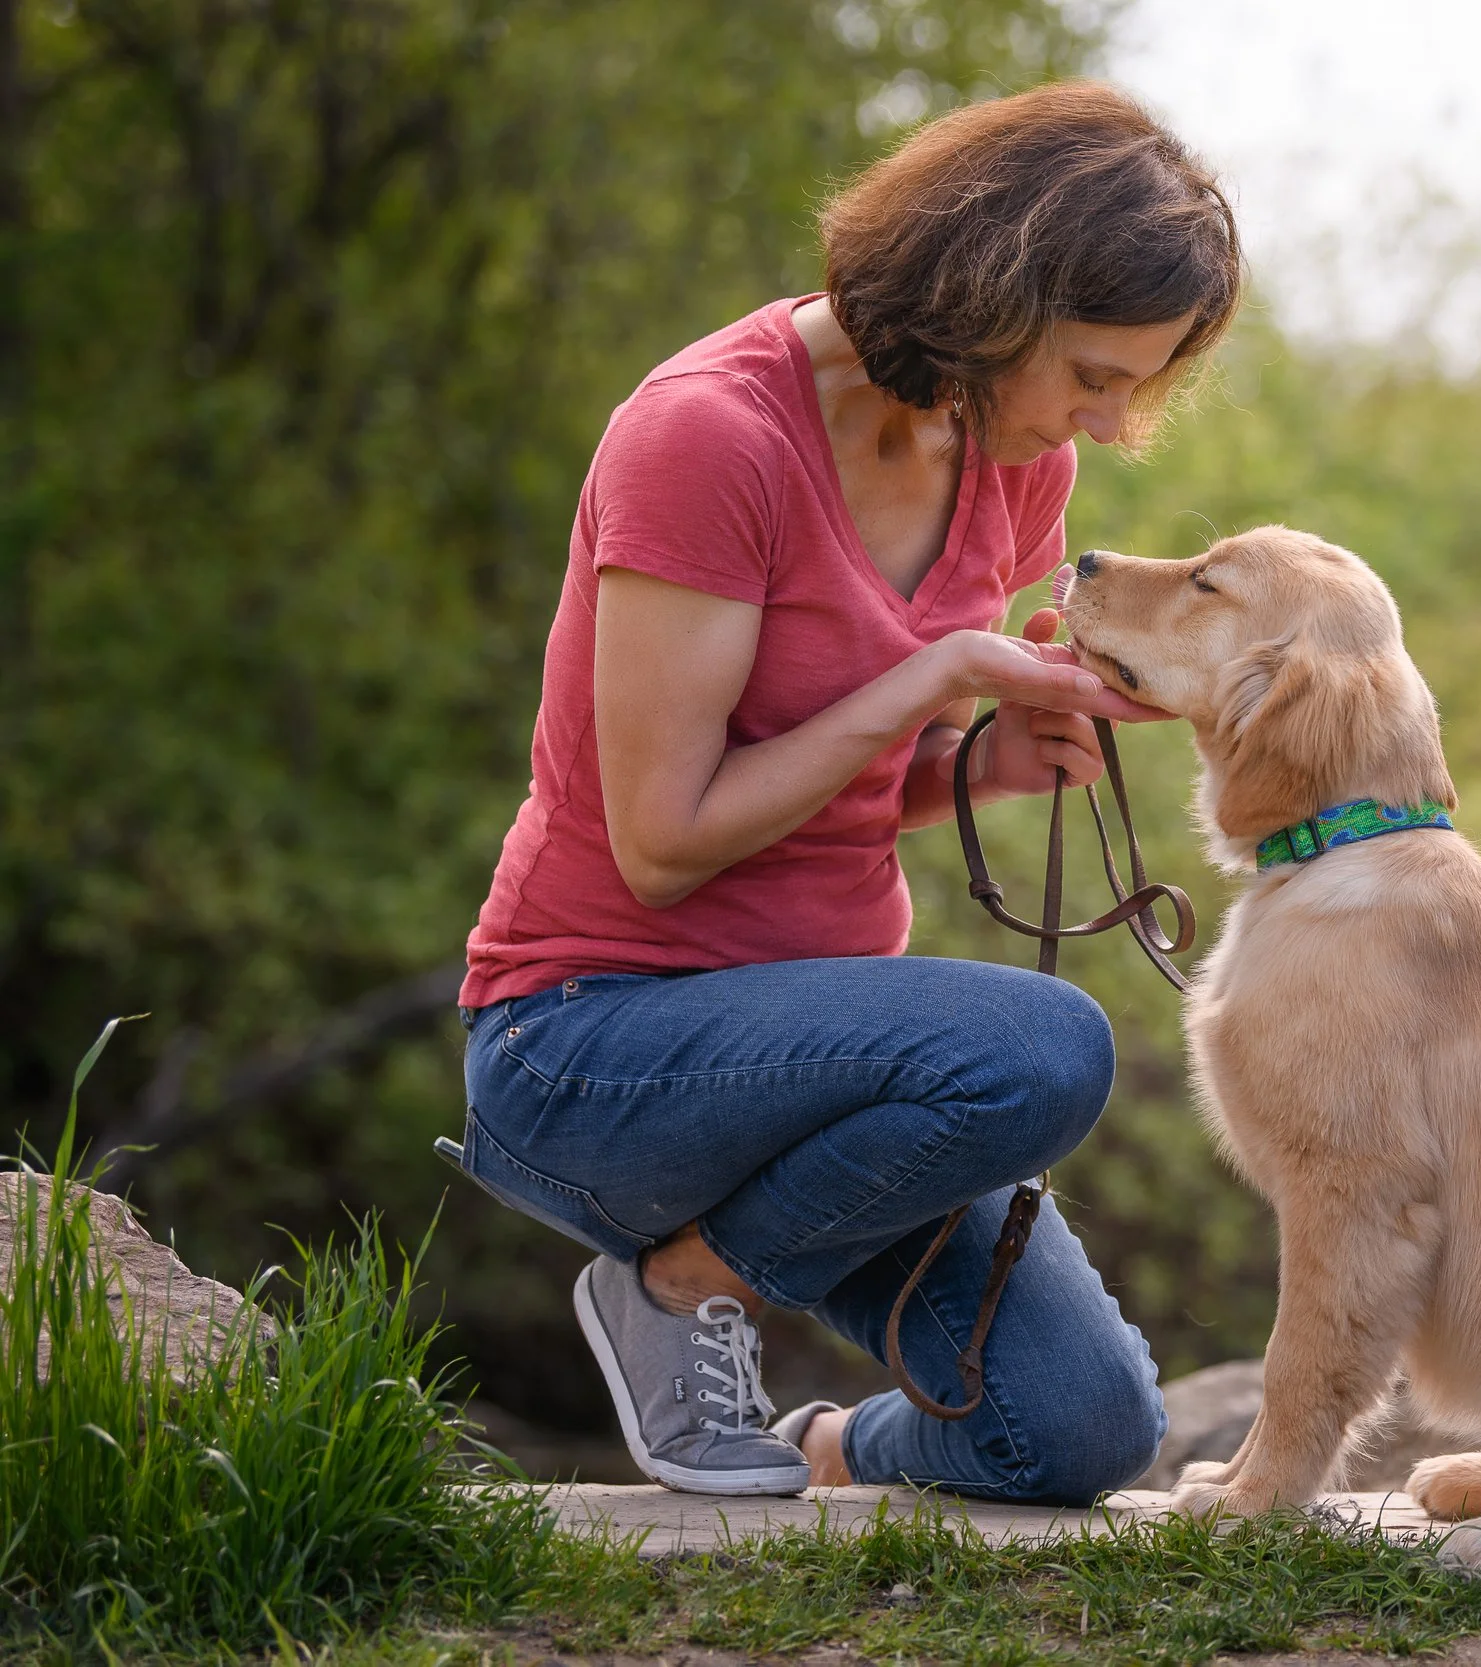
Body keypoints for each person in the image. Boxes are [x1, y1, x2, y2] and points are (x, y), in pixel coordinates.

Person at [455, 82, 1240, 1500]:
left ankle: (823, 1445)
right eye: (1096, 373)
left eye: (1140, 384)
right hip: (589, 1043)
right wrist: (931, 680)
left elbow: (841, 782)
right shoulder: (708, 436)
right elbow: (666, 843)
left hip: (828, 1084)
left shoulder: (1017, 463)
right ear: (990, 296)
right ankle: (682, 1287)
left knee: (1081, 1431)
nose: (1114, 425)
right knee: (1048, 1049)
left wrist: (984, 762)